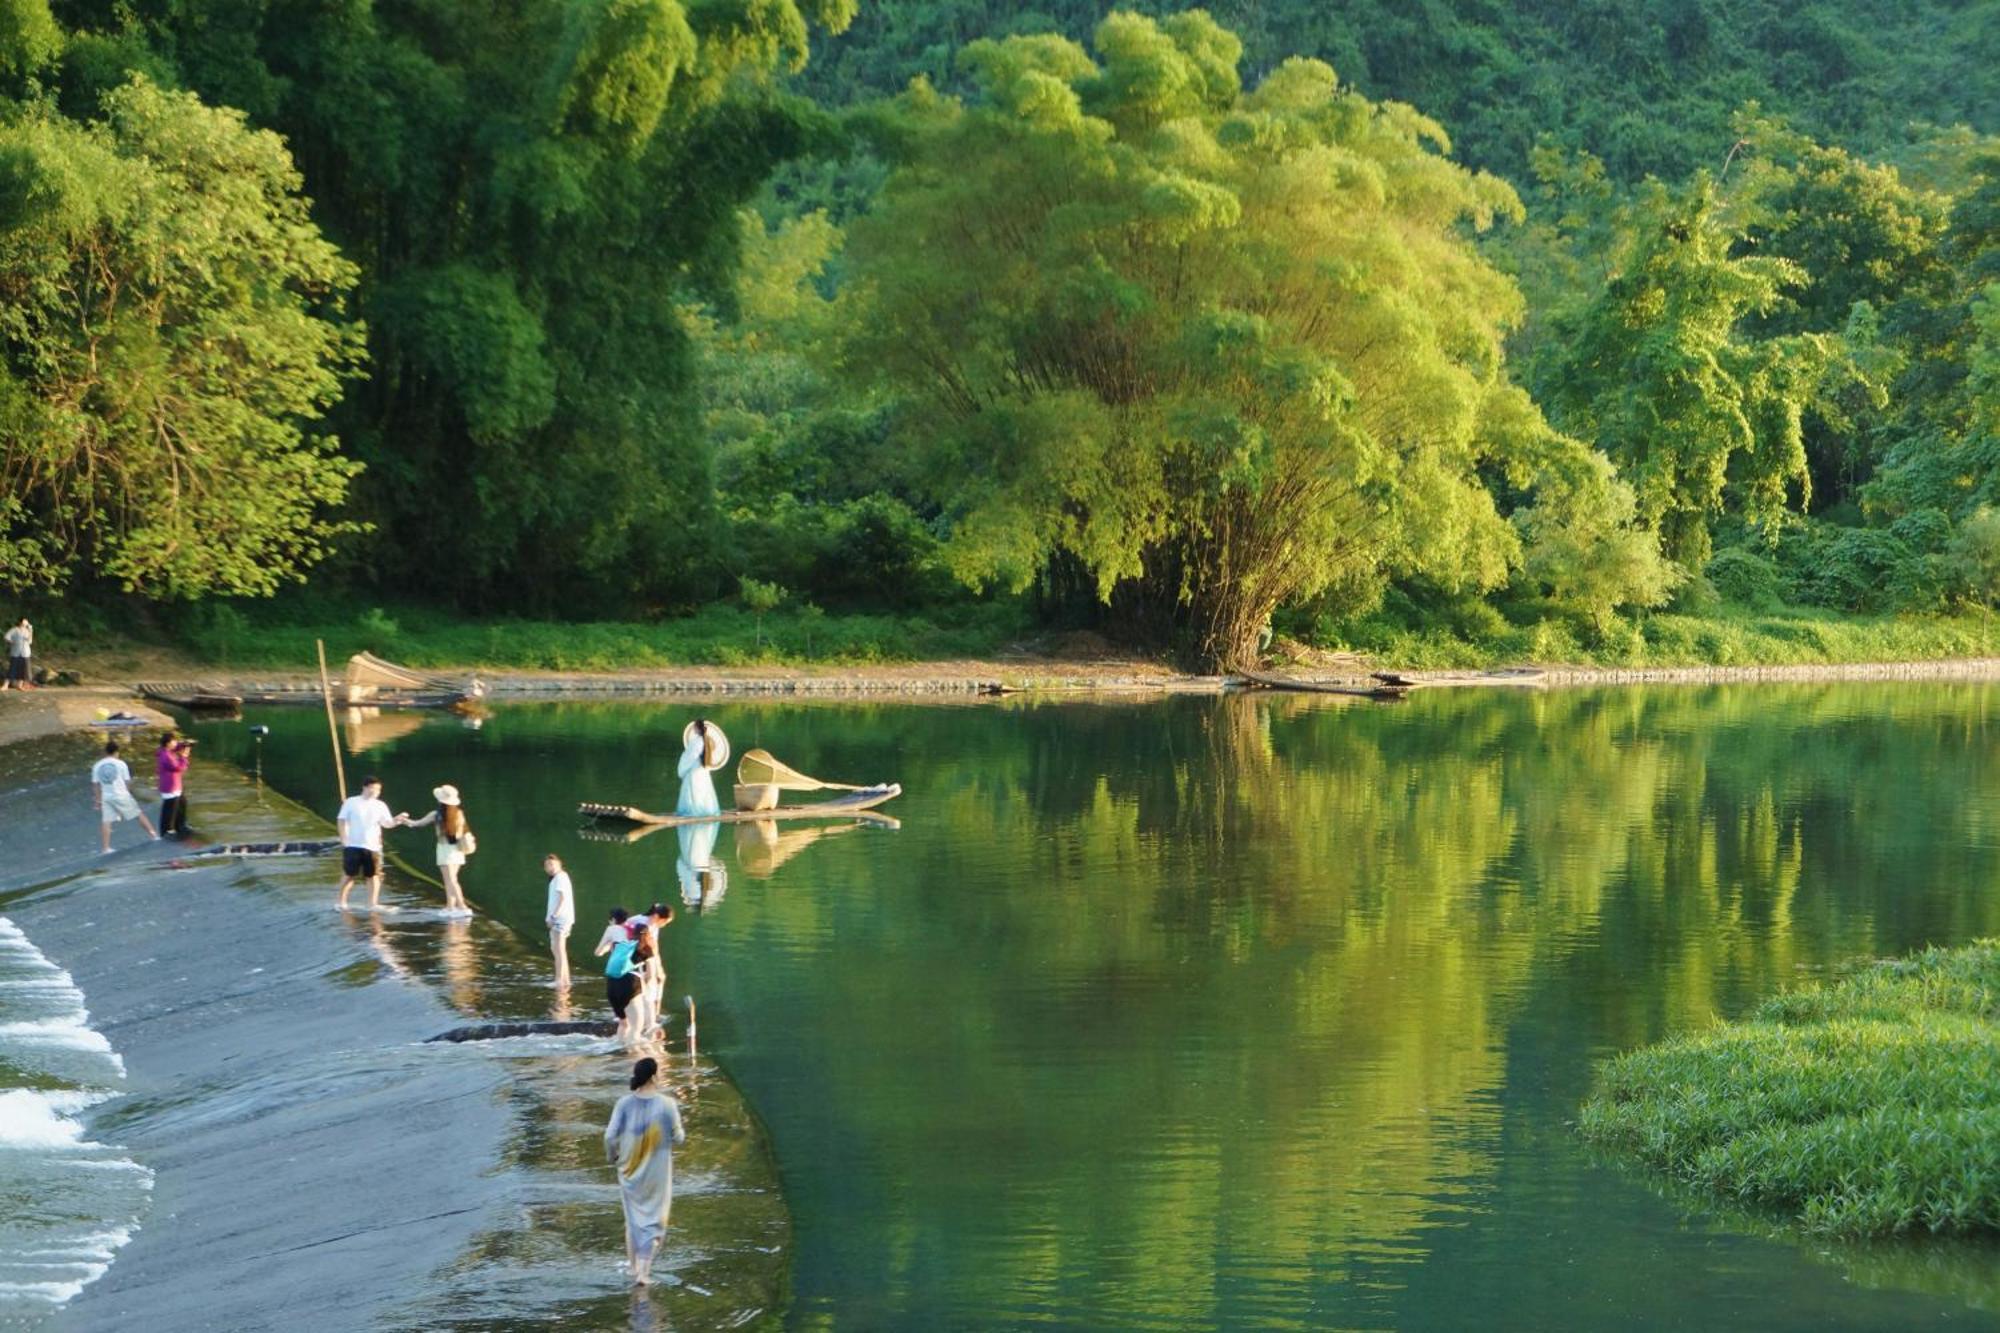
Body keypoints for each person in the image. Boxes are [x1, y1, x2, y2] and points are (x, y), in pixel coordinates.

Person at [603, 1057, 685, 1287]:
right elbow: (679, 1137)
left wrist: (613, 1157)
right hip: (656, 1172)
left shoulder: (624, 1103)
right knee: (654, 1220)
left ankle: (632, 1268)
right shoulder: (667, 1104)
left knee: (633, 1220)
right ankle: (643, 1273)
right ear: (654, 1076)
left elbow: (609, 1137)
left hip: (628, 1169)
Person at [335, 776, 407, 911]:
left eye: (378, 789)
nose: (376, 792)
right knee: (349, 875)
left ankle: (372, 903)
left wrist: (397, 820)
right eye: (373, 788)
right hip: (353, 844)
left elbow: (387, 824)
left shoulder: (380, 805)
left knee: (373, 875)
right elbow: (341, 820)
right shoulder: (351, 802)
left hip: (373, 846)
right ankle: (341, 902)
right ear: (365, 787)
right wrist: (344, 838)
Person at [405, 786, 475, 916]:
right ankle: (450, 907)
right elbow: (459, 833)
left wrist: (403, 820)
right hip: (458, 849)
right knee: (451, 879)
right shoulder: (459, 813)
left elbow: (417, 824)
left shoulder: (436, 815)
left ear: (441, 801)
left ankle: (462, 906)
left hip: (444, 849)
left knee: (451, 879)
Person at [92, 740, 158, 852]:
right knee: (138, 813)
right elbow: (127, 782)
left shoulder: (97, 766)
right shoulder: (121, 764)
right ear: (117, 752)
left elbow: (95, 785)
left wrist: (98, 801)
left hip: (106, 797)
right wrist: (128, 794)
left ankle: (105, 848)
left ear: (105, 752)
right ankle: (154, 835)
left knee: (106, 820)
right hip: (121, 794)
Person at [597, 912, 641, 1045]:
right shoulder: (637, 932)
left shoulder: (612, 929)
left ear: (614, 920)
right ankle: (633, 1057)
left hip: (613, 981)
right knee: (636, 1027)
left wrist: (609, 947)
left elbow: (598, 952)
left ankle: (620, 1051)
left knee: (624, 1024)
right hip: (631, 980)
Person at [675, 719, 724, 818]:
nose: (693, 729)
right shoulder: (706, 741)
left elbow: (691, 756)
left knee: (695, 790)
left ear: (697, 728)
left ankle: (694, 812)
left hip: (695, 770)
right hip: (703, 770)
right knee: (703, 789)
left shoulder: (697, 741)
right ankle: (705, 810)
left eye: (694, 727)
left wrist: (683, 763)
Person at [544, 853, 575, 988]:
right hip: (561, 918)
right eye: (546, 866)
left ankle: (559, 980)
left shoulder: (561, 877)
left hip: (561, 918)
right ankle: (565, 980)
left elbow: (563, 899)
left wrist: (553, 916)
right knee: (558, 949)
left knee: (559, 949)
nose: (549, 867)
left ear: (559, 864)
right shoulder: (557, 878)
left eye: (552, 864)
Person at [155, 732, 193, 839]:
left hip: (175, 786)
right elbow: (178, 768)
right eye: (174, 741)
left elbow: (177, 748)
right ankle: (166, 831)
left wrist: (186, 745)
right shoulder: (165, 755)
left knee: (182, 803)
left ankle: (180, 826)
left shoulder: (167, 751)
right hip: (170, 787)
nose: (176, 743)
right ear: (168, 743)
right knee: (170, 809)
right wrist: (184, 757)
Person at [3, 618, 31, 690]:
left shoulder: (28, 631)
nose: (26, 622)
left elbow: (30, 641)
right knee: (12, 669)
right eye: (25, 621)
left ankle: (19, 685)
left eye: (27, 621)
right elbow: (6, 637)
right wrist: (12, 642)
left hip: (25, 652)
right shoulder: (14, 630)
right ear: (20, 622)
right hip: (15, 652)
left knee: (23, 670)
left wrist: (31, 631)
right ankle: (5, 685)